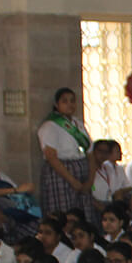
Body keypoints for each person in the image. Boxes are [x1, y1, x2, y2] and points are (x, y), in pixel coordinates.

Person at [37, 88, 94, 222]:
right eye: (65, 101)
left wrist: (90, 180)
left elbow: (90, 151)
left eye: (72, 101)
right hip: (62, 174)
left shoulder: (78, 124)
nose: (70, 104)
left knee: (83, 214)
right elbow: (51, 157)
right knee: (64, 214)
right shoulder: (50, 126)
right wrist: (73, 181)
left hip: (82, 171)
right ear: (57, 104)